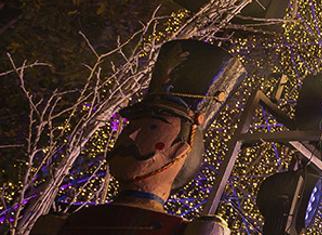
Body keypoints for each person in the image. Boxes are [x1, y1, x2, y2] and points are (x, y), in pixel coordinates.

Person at [33, 40, 244, 234]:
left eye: (152, 129)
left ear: (181, 150)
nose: (132, 136)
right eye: (130, 127)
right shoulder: (64, 224)